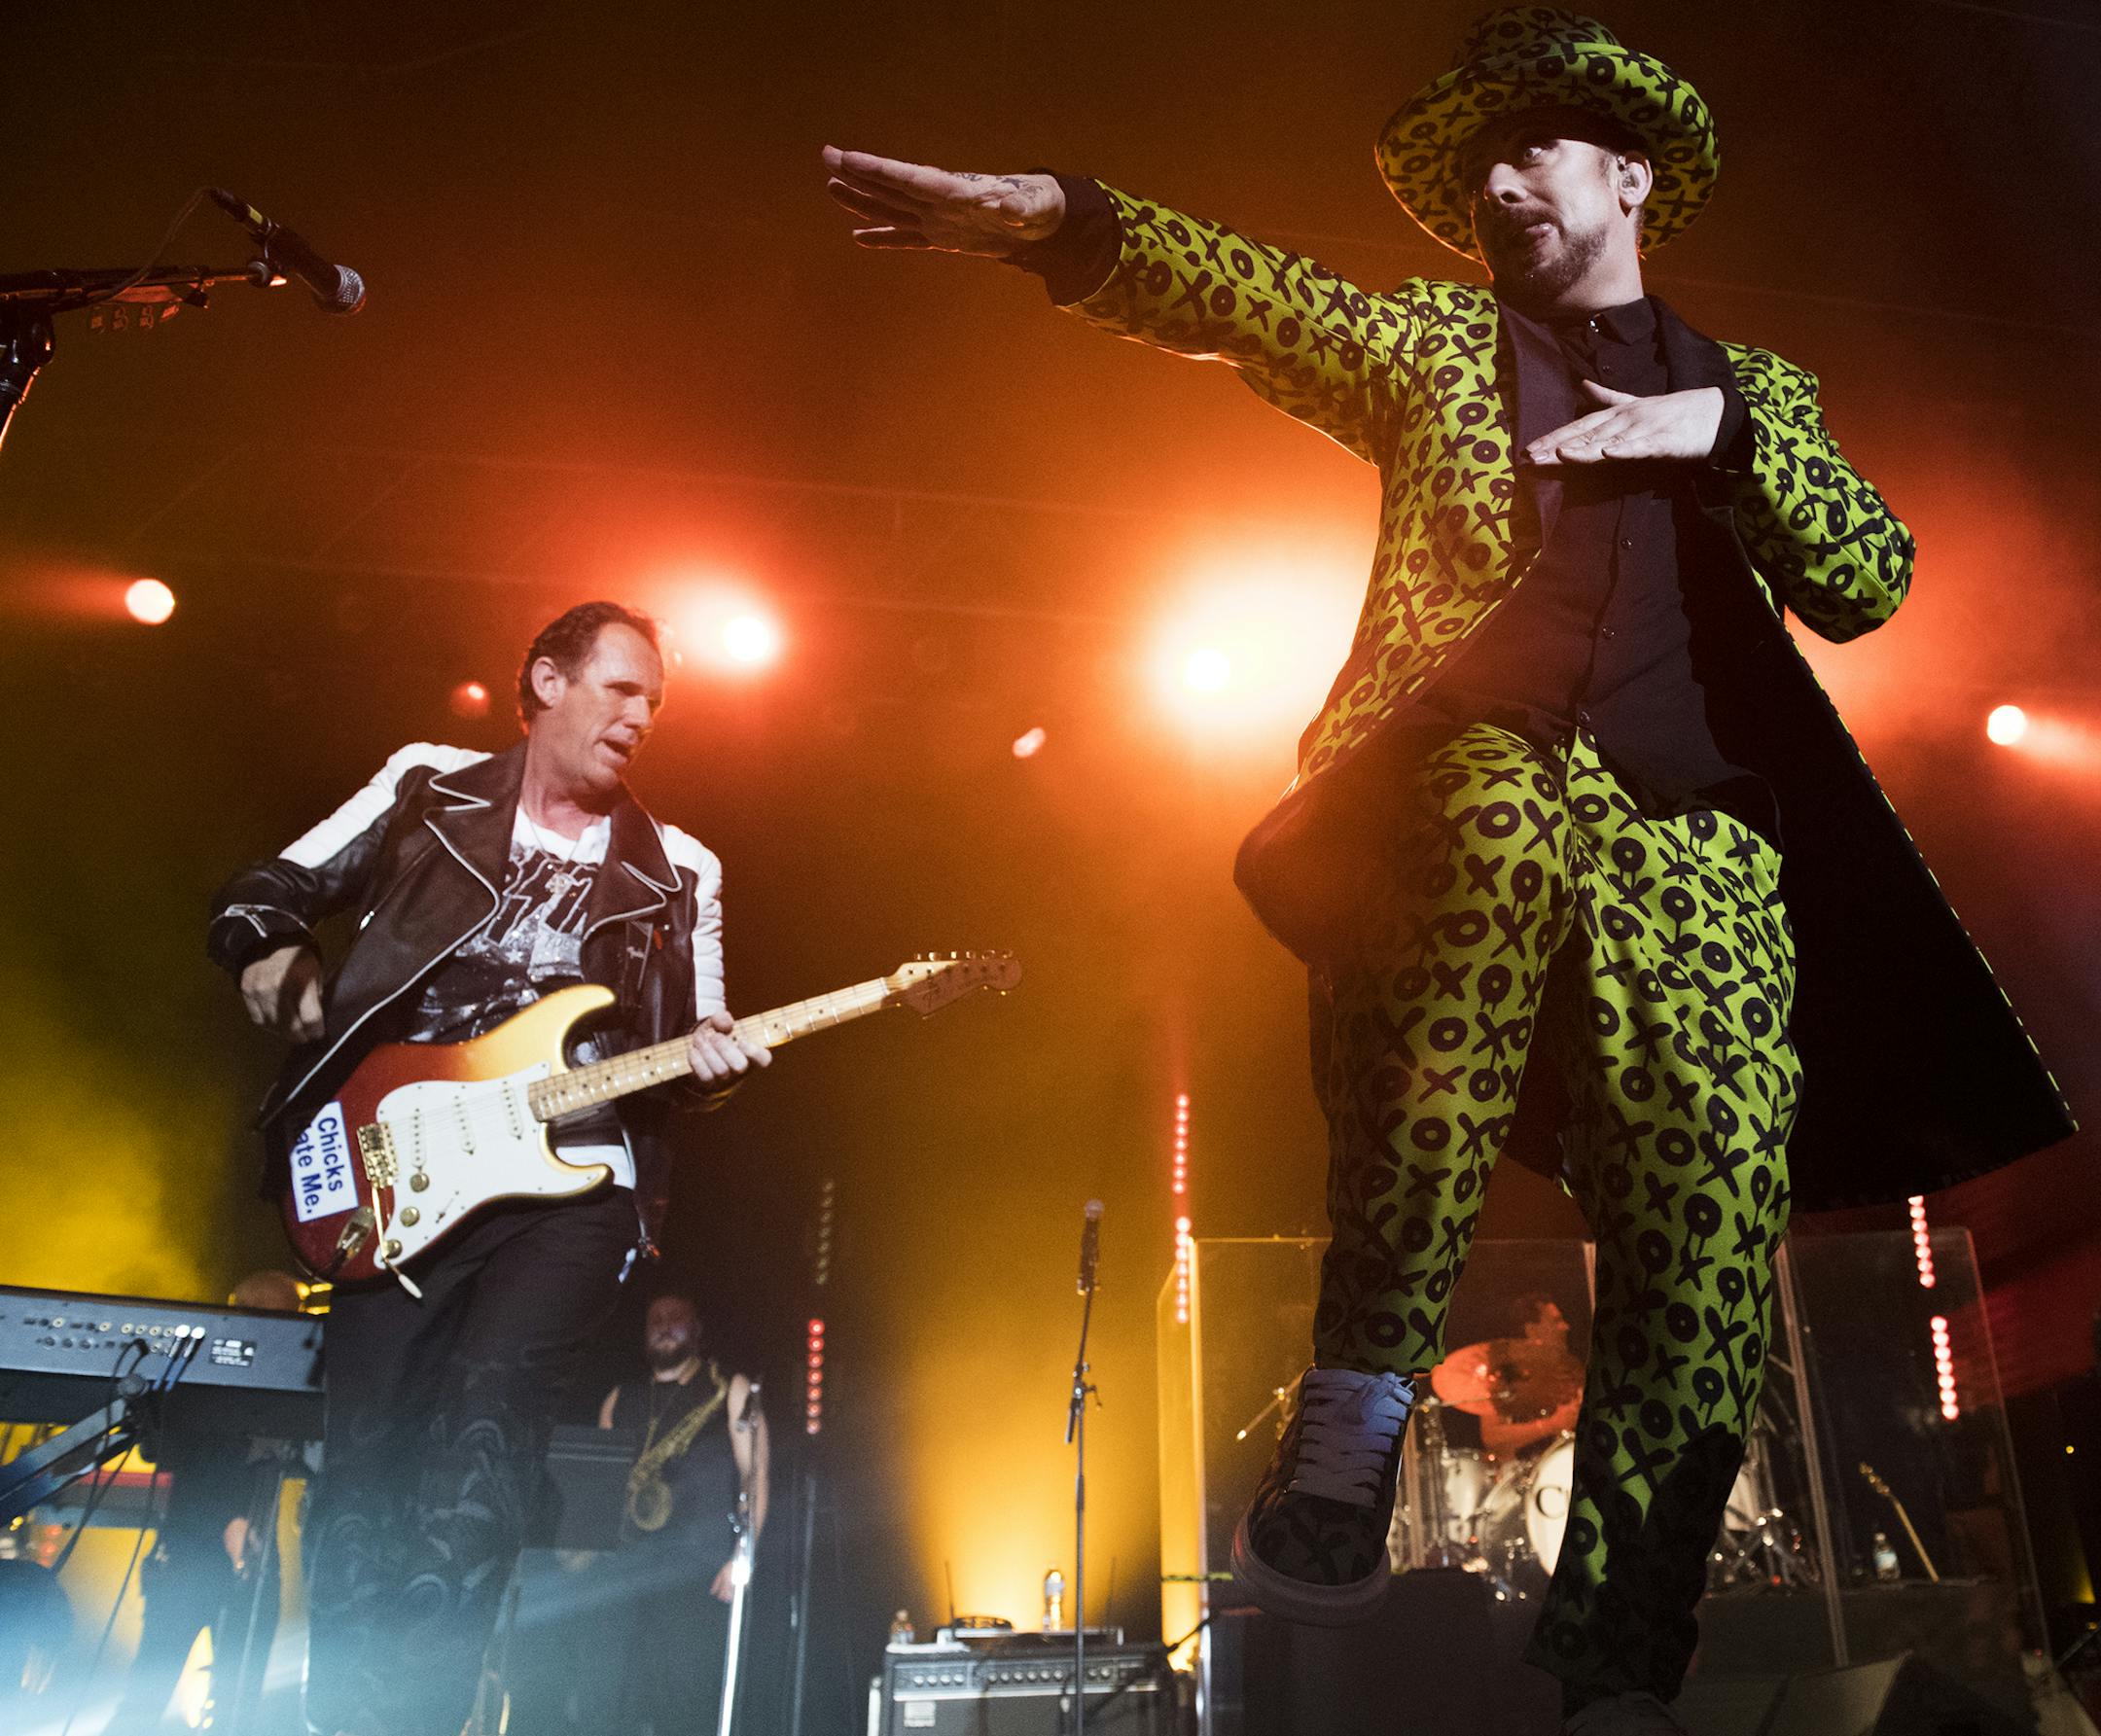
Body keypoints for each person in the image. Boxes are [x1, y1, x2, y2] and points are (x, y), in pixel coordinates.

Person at [820, 11, 2072, 1728]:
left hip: (1692, 841)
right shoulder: (1432, 347)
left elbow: (1867, 573)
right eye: (1475, 167)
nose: (1495, 186)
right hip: (1476, 766)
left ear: (1625, 173)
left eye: (1530, 151)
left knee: (1709, 1233)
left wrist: (1705, 438)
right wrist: (1064, 220)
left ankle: (1623, 1661)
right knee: (1486, 838)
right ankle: (1352, 1418)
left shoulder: (1749, 387)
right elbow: (1256, 294)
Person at [206, 601, 771, 1736]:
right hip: (398, 1160)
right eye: (620, 688)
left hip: (573, 1178)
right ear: (547, 681)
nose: (641, 715)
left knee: (487, 1426)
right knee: (370, 1448)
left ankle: (424, 1710)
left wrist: (718, 1062)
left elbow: (694, 1044)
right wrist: (267, 943)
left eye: (655, 701)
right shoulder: (433, 787)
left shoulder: (678, 869)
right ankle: (342, 1715)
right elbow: (271, 887)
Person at [101, 1270, 305, 1736]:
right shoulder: (200, 1372)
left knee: (241, 1702)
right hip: (192, 1553)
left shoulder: (290, 1378)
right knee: (148, 1694)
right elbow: (165, 1446)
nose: (293, 1330)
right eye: (282, 1316)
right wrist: (230, 1516)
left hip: (247, 1555)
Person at [596, 1293, 769, 1735]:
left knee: (685, 1711)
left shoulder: (728, 1390)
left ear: (697, 1331)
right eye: (655, 1319)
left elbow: (757, 1476)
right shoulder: (620, 1397)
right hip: (624, 1575)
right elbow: (597, 1486)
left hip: (696, 1575)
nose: (664, 1325)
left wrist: (741, 1556)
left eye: (676, 1318)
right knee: (609, 1708)